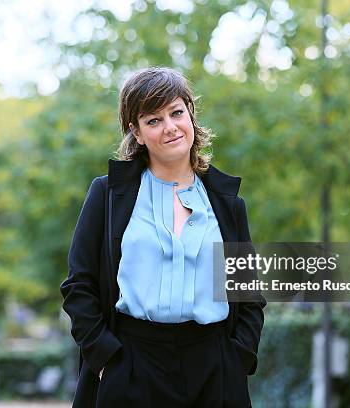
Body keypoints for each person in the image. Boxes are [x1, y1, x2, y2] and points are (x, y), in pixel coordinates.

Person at [61, 66, 266, 407]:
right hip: (132, 364)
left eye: (176, 113)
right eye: (153, 120)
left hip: (214, 369)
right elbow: (78, 286)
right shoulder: (108, 195)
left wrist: (237, 359)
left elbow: (249, 296)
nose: (169, 127)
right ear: (136, 132)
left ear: (191, 114)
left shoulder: (228, 203)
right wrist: (106, 359)